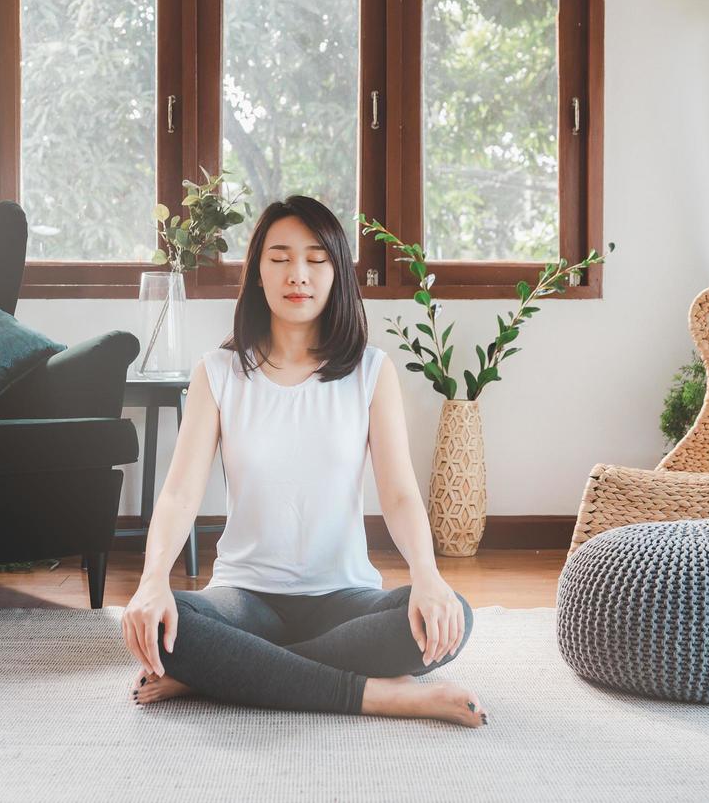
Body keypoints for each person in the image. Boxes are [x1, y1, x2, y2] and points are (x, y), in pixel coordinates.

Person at [121, 195, 487, 727]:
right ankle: (385, 696)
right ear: (258, 273)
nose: (299, 274)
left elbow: (401, 494)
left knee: (453, 617)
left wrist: (427, 575)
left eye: (316, 259)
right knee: (155, 625)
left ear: (337, 272)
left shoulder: (370, 372)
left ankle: (223, 674)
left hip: (344, 597)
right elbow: (179, 494)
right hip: (244, 600)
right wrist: (152, 579)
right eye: (280, 258)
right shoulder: (218, 373)